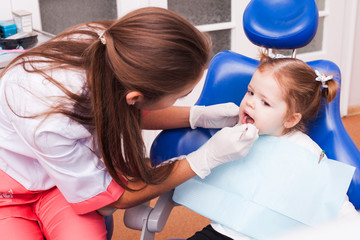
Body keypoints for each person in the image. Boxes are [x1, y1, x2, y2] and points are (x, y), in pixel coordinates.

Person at [0, 7, 259, 240]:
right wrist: (206, 158)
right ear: (136, 96)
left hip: (63, 176)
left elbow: (126, 109)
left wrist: (199, 115)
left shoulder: (113, 43)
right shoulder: (50, 122)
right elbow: (116, 198)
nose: (182, 100)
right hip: (10, 189)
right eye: (179, 96)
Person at [181, 52, 359, 240]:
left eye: (265, 102)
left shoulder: (305, 149)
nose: (250, 102)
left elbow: (333, 201)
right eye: (250, 92)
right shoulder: (234, 135)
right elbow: (199, 166)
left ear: (290, 119)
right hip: (223, 230)